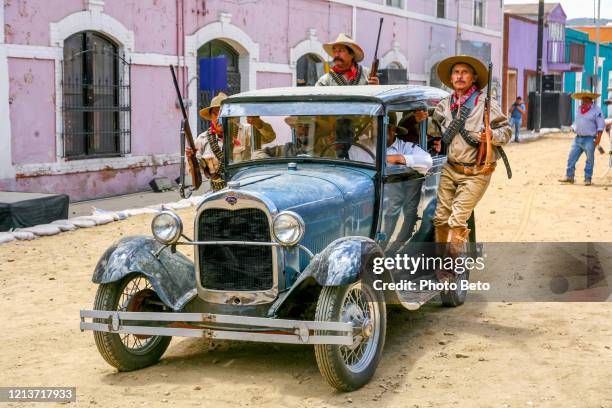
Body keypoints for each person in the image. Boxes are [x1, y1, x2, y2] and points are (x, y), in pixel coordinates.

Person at [429, 56, 511, 253]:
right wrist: (421, 120)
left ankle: (454, 270)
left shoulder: (484, 103)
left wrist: (491, 135)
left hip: (476, 171)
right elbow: (433, 130)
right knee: (440, 218)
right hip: (450, 168)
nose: (459, 76)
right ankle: (442, 264)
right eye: (456, 72)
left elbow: (506, 131)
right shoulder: (445, 104)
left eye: (464, 72)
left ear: (473, 78)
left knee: (457, 220)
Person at [559, 91, 605, 186]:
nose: (583, 101)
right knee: (571, 157)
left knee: (589, 160)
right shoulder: (580, 109)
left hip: (590, 139)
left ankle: (588, 179)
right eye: (582, 99)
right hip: (578, 139)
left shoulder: (597, 110)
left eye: (585, 99)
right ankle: (569, 177)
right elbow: (577, 122)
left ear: (590, 99)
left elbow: (601, 125)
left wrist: (598, 139)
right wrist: (572, 128)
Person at [186, 92, 227, 191]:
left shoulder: (243, 132)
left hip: (242, 190)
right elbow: (194, 171)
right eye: (215, 114)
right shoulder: (203, 139)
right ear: (210, 116)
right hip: (216, 191)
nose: (218, 118)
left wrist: (258, 123)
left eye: (222, 113)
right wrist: (192, 159)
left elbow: (269, 137)